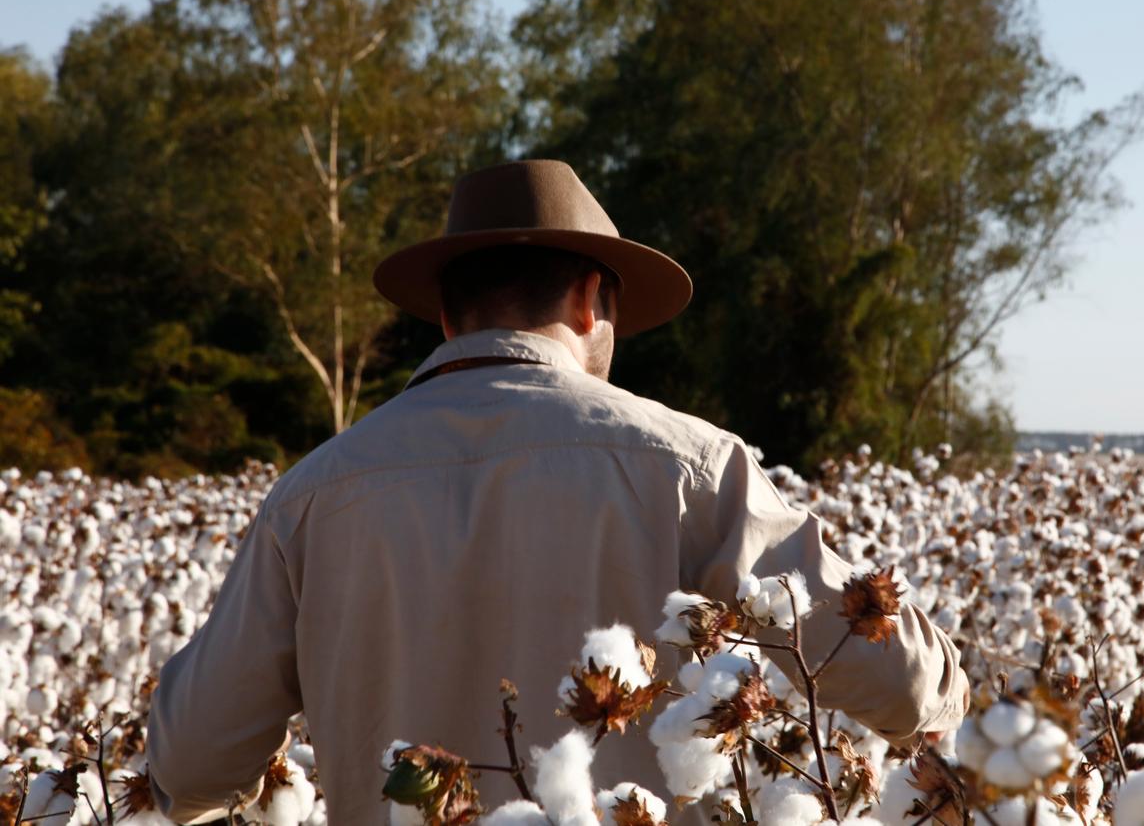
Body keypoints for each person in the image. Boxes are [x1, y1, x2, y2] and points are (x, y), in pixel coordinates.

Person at [146, 160, 968, 824]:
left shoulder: (314, 496)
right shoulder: (690, 467)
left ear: (444, 315)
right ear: (588, 298)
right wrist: (954, 700)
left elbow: (187, 767)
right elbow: (891, 675)